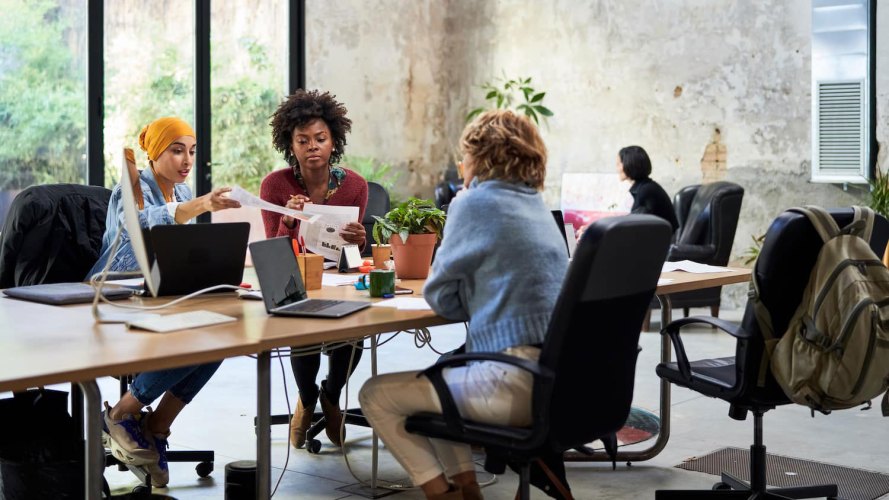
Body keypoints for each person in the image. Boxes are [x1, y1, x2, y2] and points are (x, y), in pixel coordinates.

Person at [359, 110, 568, 500]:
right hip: (563, 383)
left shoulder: (474, 203)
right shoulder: (536, 204)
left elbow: (442, 299)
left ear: (477, 157)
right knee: (439, 374)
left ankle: (444, 495)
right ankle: (467, 488)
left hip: (513, 382)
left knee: (376, 394)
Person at [88, 117, 241, 488]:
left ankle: (156, 426)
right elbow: (140, 229)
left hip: (163, 294)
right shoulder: (133, 187)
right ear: (155, 154)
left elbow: (178, 254)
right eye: (176, 150)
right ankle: (122, 413)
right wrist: (201, 205)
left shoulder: (184, 194)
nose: (186, 160)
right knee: (192, 336)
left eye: (191, 151)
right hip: (117, 291)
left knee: (221, 336)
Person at [260, 89, 368, 449]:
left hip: (339, 279)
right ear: (290, 144)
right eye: (302, 140)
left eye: (320, 138)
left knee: (356, 327)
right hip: (295, 280)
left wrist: (359, 240)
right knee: (302, 326)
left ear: (333, 140)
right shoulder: (275, 186)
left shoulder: (354, 186)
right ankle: (306, 400)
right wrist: (290, 218)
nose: (312, 147)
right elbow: (274, 251)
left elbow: (352, 257)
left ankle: (331, 396)